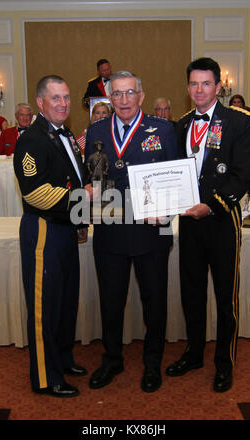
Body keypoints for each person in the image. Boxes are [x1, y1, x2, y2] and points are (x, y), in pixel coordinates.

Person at [166, 57, 250, 392]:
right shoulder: (180, 125)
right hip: (189, 222)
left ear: (218, 86)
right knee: (191, 292)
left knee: (224, 295)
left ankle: (224, 362)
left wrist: (212, 205)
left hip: (221, 220)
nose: (199, 90)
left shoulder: (238, 122)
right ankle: (193, 352)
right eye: (193, 84)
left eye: (206, 83)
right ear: (187, 88)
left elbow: (244, 175)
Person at [85, 70, 178, 393]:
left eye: (130, 93)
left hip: (151, 232)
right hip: (109, 232)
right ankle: (112, 359)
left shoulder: (164, 130)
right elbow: (92, 183)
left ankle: (153, 364)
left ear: (140, 96)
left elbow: (175, 179)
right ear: (109, 99)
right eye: (117, 94)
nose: (123, 100)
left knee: (155, 302)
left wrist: (167, 210)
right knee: (111, 302)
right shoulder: (96, 130)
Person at [14, 75, 91, 398]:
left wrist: (80, 220)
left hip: (64, 228)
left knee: (65, 302)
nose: (63, 104)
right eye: (56, 98)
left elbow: (77, 174)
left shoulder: (66, 134)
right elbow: (36, 193)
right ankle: (47, 377)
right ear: (41, 103)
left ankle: (63, 359)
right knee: (45, 307)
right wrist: (82, 200)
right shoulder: (31, 140)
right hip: (44, 229)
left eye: (67, 98)